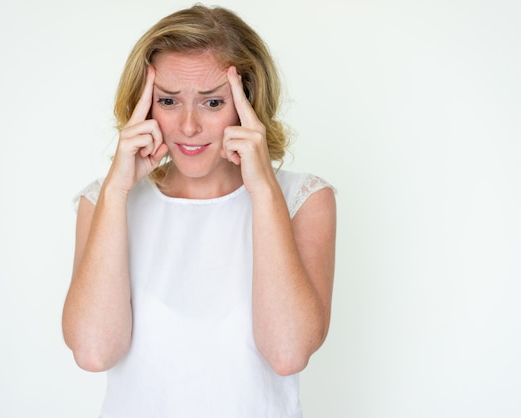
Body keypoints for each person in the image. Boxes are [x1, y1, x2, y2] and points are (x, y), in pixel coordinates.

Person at [62, 4, 336, 417]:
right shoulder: (105, 201)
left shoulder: (303, 198)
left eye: (212, 103)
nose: (188, 126)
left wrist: (261, 189)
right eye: (169, 100)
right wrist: (117, 189)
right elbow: (94, 351)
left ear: (249, 103)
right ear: (144, 105)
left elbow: (287, 353)